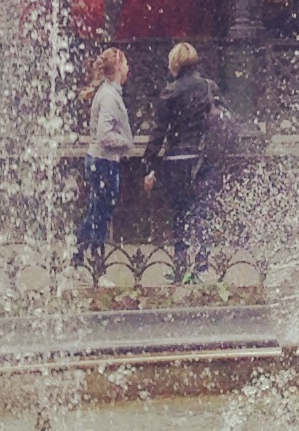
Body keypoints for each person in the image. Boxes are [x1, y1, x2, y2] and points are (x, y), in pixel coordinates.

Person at [139, 42, 218, 285]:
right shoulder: (208, 87)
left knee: (179, 214)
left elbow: (159, 132)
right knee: (202, 212)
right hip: (200, 158)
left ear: (174, 63)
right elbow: (218, 122)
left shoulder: (169, 92)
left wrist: (150, 165)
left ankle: (180, 264)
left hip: (175, 159)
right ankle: (202, 267)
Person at [75, 47, 132, 275]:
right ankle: (89, 264)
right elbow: (104, 135)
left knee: (97, 214)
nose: (128, 68)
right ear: (118, 67)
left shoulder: (109, 93)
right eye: (125, 63)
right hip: (103, 162)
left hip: (101, 161)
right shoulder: (109, 96)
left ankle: (81, 260)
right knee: (99, 216)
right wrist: (126, 142)